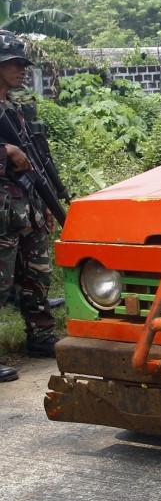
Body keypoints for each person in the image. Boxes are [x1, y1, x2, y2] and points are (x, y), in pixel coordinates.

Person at [0, 31, 59, 381]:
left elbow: (34, 161)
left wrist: (45, 203)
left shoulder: (15, 109)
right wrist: (5, 153)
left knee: (37, 275)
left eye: (24, 64)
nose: (22, 69)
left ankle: (41, 337)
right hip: (2, 214)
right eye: (14, 63)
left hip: (26, 208)